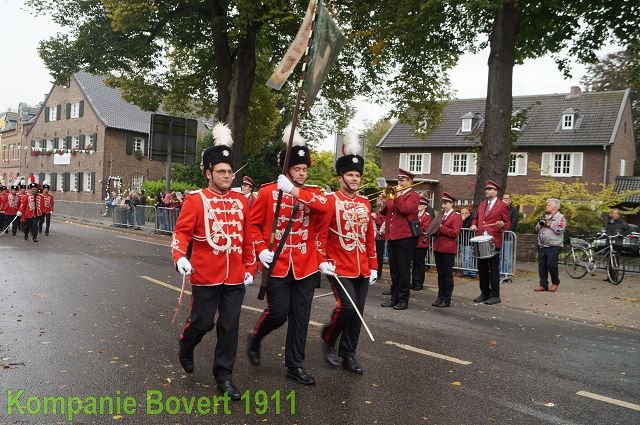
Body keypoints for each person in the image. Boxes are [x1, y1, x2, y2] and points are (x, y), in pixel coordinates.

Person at [171, 122, 256, 400]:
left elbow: (247, 237)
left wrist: (250, 267)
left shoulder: (241, 201)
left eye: (230, 171)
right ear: (209, 173)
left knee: (229, 326)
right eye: (221, 171)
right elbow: (181, 233)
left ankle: (224, 376)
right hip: (206, 275)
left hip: (234, 277)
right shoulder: (196, 200)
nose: (227, 176)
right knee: (202, 322)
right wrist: (180, 257)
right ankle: (186, 344)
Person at [247, 124, 329, 385]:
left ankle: (295, 365)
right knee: (278, 312)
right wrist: (261, 250)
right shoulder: (267, 192)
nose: (303, 173)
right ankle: (256, 336)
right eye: (297, 169)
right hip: (278, 264)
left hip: (306, 265)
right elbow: (253, 225)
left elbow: (325, 208)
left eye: (305, 169)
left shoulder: (313, 193)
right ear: (286, 169)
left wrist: (293, 191)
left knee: (301, 317)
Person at [317, 132, 377, 374]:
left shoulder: (365, 203)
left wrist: (373, 265)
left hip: (362, 265)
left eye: (357, 175)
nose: (354, 179)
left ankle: (348, 354)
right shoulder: (329, 200)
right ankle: (328, 337)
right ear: (340, 177)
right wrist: (322, 260)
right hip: (338, 265)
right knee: (347, 307)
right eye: (350, 175)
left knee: (357, 313)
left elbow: (369, 236)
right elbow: (320, 234)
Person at [379, 169, 420, 310]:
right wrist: (384, 201)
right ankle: (394, 298)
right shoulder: (395, 195)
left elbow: (404, 210)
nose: (399, 182)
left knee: (403, 270)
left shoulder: (414, 196)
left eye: (402, 180)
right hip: (392, 236)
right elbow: (386, 212)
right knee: (394, 270)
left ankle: (403, 300)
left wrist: (397, 196)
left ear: (410, 182)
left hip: (405, 237)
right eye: (399, 180)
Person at [470, 180, 510, 305]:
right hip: (481, 240)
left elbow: (507, 223)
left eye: (489, 189)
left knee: (493, 269)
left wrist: (502, 225)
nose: (486, 191)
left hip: (493, 241)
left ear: (495, 191)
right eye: (486, 189)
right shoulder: (482, 204)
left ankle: (495, 295)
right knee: (481, 268)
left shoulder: (502, 205)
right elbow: (476, 218)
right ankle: (484, 293)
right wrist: (473, 224)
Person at [432, 192, 463, 307]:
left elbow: (454, 233)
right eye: (443, 203)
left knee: (447, 274)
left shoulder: (456, 216)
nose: (443, 206)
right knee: (440, 274)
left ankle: (446, 299)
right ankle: (440, 297)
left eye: (446, 203)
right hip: (438, 247)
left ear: (451, 203)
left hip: (448, 249)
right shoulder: (441, 215)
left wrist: (441, 227)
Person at [534, 198, 566, 292]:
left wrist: (549, 224)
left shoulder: (561, 217)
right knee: (542, 266)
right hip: (542, 245)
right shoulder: (545, 216)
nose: (546, 206)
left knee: (551, 265)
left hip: (554, 245)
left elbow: (560, 230)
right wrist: (540, 224)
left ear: (554, 207)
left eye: (548, 205)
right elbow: (536, 229)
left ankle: (555, 282)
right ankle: (543, 285)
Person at [410, 194, 433, 291]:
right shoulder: (415, 214)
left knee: (420, 264)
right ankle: (414, 282)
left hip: (421, 242)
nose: (419, 205)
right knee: (414, 263)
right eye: (418, 204)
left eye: (421, 204)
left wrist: (415, 227)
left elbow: (424, 228)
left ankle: (419, 283)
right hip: (414, 242)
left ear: (425, 206)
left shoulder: (427, 216)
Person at [499, 193, 519, 278]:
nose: (505, 200)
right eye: (504, 198)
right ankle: (500, 273)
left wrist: (505, 231)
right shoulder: (498, 209)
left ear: (510, 200)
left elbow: (514, 224)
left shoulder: (514, 210)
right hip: (498, 237)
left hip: (508, 237)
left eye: (507, 198)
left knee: (507, 256)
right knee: (499, 256)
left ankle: (506, 275)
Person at [18, 178, 43, 242]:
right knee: (28, 226)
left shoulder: (40, 197)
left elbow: (42, 205)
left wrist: (41, 212)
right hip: (29, 214)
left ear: (37, 189)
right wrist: (20, 211)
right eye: (32, 189)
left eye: (35, 189)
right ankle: (26, 234)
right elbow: (23, 205)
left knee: (35, 225)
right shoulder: (27, 196)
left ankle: (34, 237)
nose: (33, 190)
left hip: (37, 214)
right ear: (30, 190)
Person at [460, 207, 477, 278]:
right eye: (462, 213)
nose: (464, 214)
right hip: (462, 241)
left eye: (465, 213)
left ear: (469, 213)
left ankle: (472, 273)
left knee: (469, 257)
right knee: (463, 257)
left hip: (469, 242)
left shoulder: (472, 219)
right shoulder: (460, 219)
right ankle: (466, 272)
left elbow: (468, 226)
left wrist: (462, 221)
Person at [372, 204, 386, 282]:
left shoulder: (384, 212)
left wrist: (375, 217)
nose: (378, 201)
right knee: (373, 255)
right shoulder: (376, 212)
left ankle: (378, 273)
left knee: (379, 256)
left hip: (380, 237)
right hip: (373, 236)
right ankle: (373, 271)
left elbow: (382, 223)